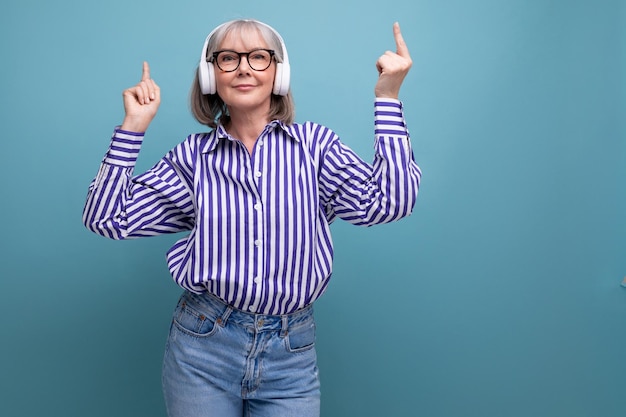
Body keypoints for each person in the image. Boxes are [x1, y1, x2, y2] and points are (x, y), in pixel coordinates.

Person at [82, 18, 421, 417]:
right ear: (211, 75)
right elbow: (107, 217)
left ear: (279, 72)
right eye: (228, 58)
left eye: (259, 57)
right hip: (202, 347)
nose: (244, 67)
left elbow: (391, 201)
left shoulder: (315, 148)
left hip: (291, 352)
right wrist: (132, 128)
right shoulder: (193, 159)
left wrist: (388, 97)